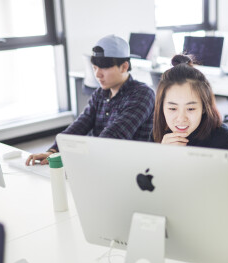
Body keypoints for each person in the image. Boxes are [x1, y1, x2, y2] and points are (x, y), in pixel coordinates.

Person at [26, 34, 155, 165]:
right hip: (99, 161)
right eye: (95, 68)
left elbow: (114, 136)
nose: (98, 75)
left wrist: (76, 157)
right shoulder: (100, 93)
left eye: (104, 67)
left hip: (130, 166)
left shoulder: (143, 94)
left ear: (124, 66)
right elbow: (80, 124)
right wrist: (54, 151)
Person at [151, 54, 228, 150]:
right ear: (162, 107)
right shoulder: (158, 133)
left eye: (190, 109)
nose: (181, 118)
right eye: (172, 108)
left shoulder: (222, 138)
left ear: (204, 107)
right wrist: (162, 153)